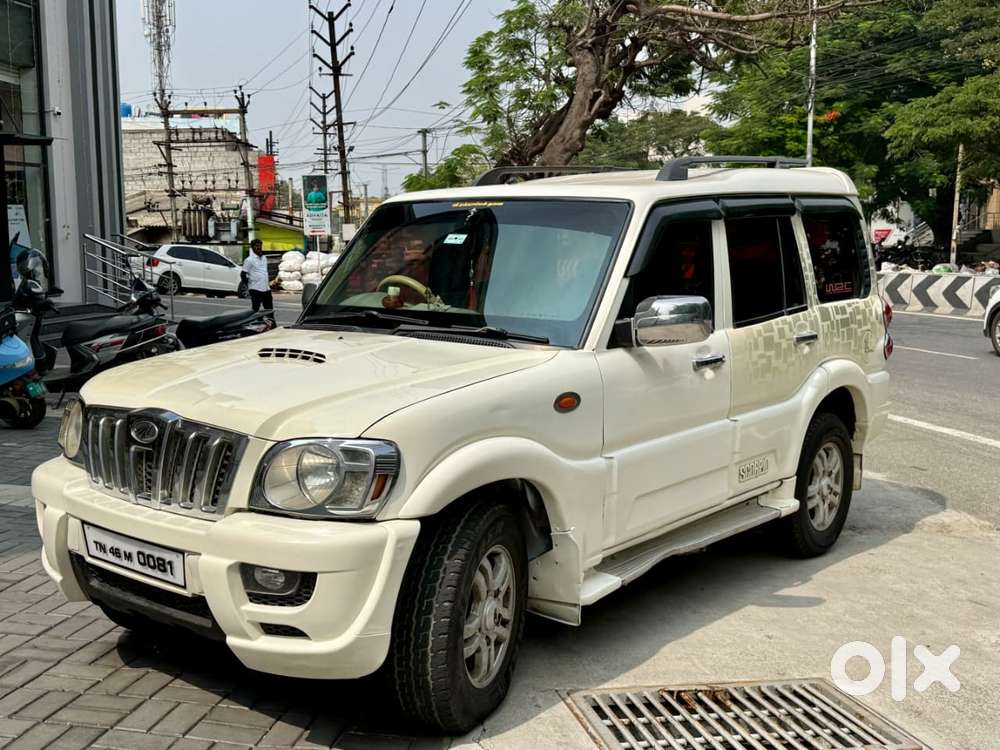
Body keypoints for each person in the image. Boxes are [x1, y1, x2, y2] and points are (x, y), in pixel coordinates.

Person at [243, 239, 273, 320]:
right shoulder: (249, 260)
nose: (259, 248)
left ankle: (272, 326)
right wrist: (248, 285)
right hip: (255, 288)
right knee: (256, 310)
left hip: (266, 288)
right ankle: (256, 326)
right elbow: (243, 274)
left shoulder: (264, 258)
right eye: (256, 246)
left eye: (260, 245)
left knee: (269, 310)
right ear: (252, 247)